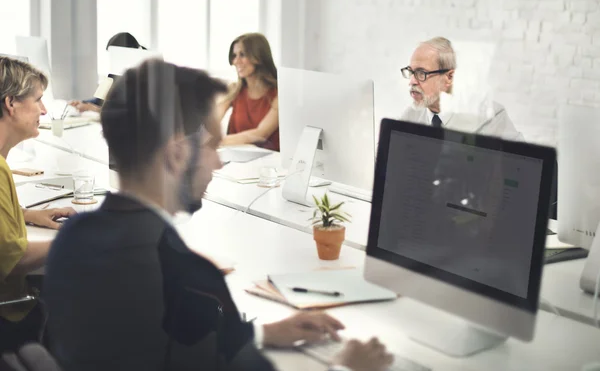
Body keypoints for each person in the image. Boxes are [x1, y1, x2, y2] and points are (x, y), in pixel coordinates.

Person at [43, 59, 393, 371]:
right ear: (177, 155)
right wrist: (346, 366)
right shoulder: (190, 280)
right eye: (213, 146)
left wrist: (259, 333)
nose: (219, 160)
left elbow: (148, 339)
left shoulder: (73, 237)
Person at [0, 57, 76, 352]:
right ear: (11, 104)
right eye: (38, 100)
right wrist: (78, 235)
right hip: (11, 314)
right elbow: (14, 260)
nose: (44, 110)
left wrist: (27, 214)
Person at [399, 36, 524, 141]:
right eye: (411, 72)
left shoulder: (491, 117)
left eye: (422, 73)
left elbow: (523, 163)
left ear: (449, 77)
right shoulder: (410, 117)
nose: (412, 81)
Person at [216, 33, 280, 151]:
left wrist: (217, 141)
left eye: (242, 55)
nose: (236, 61)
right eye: (234, 56)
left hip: (268, 164)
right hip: (236, 160)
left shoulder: (278, 95)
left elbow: (261, 134)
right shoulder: (233, 90)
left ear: (258, 57)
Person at [69, 32, 147, 113]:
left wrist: (94, 108)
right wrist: (83, 103)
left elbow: (129, 112)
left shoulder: (143, 77)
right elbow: (99, 100)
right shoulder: (113, 73)